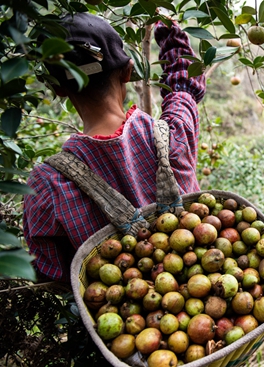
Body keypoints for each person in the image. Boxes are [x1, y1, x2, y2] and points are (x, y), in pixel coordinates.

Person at [23, 13, 205, 282]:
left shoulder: (46, 185)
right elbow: (184, 86)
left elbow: (53, 272)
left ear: (58, 89)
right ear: (128, 71)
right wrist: (169, 31)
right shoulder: (174, 134)